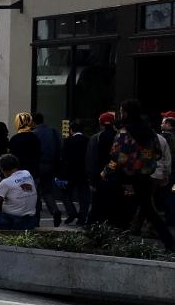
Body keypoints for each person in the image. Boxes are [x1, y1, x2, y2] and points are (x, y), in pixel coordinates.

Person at [103, 99, 174, 252]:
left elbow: (119, 157)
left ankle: (117, 244)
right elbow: (156, 153)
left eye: (122, 111)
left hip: (126, 178)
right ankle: (169, 241)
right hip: (145, 177)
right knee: (149, 211)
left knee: (121, 212)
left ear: (126, 113)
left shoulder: (124, 131)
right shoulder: (148, 131)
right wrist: (142, 161)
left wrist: (107, 171)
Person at [8, 112, 49, 224]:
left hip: (18, 174)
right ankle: (35, 220)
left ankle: (21, 220)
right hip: (33, 173)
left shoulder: (15, 139)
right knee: (35, 197)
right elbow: (39, 154)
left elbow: (12, 158)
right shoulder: (34, 138)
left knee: (19, 198)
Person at [85, 112, 118, 226]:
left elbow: (91, 160)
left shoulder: (96, 138)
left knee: (97, 205)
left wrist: (92, 180)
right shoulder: (120, 136)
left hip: (100, 176)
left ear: (100, 123)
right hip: (116, 176)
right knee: (113, 206)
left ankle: (93, 226)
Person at [32, 112, 64, 226]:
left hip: (38, 165)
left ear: (33, 121)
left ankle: (36, 218)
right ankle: (55, 210)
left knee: (35, 192)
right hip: (51, 165)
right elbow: (60, 147)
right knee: (47, 191)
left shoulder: (34, 134)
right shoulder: (53, 131)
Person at [58, 120, 90, 226]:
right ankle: (82, 218)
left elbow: (63, 158)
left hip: (69, 172)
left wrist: (61, 174)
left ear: (71, 130)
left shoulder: (68, 141)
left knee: (65, 194)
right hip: (83, 172)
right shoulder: (88, 140)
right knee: (83, 197)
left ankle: (71, 212)